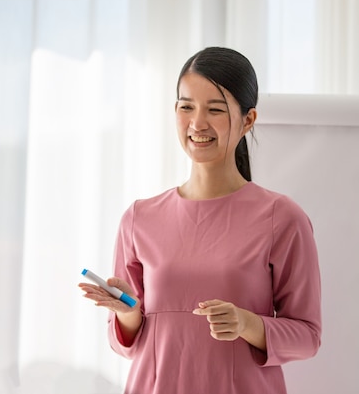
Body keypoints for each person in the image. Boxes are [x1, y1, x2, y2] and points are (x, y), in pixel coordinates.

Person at [79, 46, 322, 394]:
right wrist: (127, 313)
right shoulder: (139, 218)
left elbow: (308, 336)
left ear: (248, 120)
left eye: (216, 110)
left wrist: (247, 323)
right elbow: (125, 344)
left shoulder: (281, 218)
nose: (197, 123)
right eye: (186, 107)